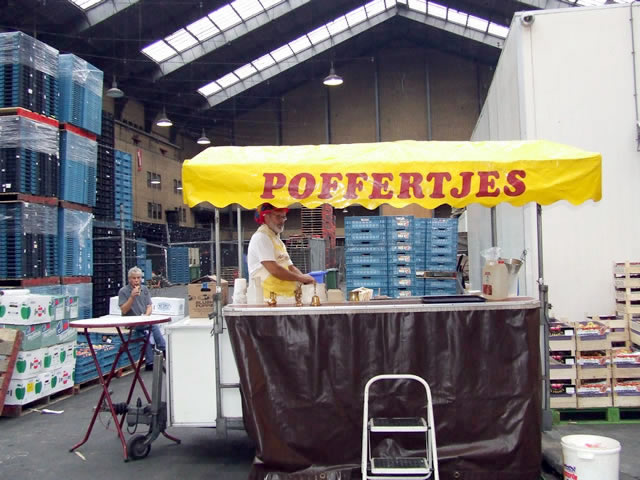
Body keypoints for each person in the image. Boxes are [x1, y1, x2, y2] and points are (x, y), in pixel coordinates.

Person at [247, 203, 314, 301]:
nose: (282, 221)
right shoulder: (261, 237)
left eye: (283, 217)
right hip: (267, 299)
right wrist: (301, 278)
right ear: (266, 217)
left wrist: (304, 279)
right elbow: (274, 269)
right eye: (278, 216)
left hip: (283, 297)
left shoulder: (276, 240)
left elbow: (290, 267)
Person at [118, 266, 166, 371]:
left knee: (147, 332)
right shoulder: (123, 291)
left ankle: (149, 362)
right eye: (134, 278)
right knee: (153, 326)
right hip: (130, 322)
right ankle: (163, 348)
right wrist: (132, 297)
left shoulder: (144, 289)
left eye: (138, 278)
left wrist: (146, 316)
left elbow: (149, 306)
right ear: (129, 279)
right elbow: (124, 310)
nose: (136, 280)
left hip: (143, 320)